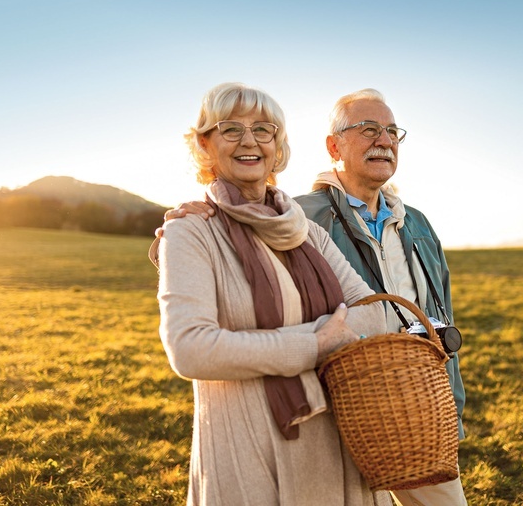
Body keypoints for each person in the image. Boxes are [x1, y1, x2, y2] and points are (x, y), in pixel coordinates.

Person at [164, 88, 468, 506]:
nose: (249, 140)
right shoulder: (207, 228)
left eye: (263, 130)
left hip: (362, 426)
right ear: (205, 144)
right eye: (230, 129)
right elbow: (192, 344)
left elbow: (378, 313)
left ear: (278, 145)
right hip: (257, 440)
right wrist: (316, 343)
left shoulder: (312, 231)